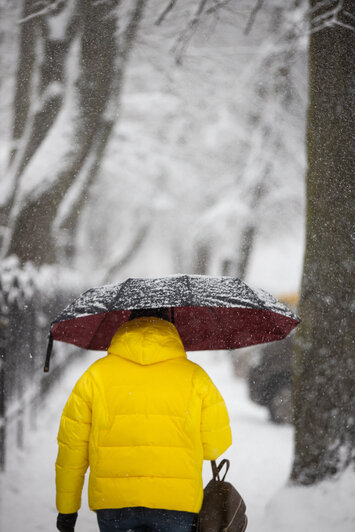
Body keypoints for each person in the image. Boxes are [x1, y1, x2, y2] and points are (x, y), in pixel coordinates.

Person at [55, 308, 232, 532]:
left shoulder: (95, 376)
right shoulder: (196, 378)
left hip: (114, 501)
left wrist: (67, 509)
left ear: (126, 326)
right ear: (170, 328)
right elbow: (215, 446)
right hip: (176, 502)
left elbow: (71, 449)